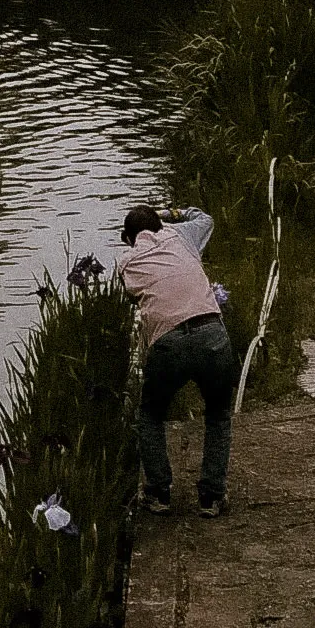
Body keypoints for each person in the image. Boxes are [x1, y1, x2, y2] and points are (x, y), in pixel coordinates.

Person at [117, 204, 236, 518]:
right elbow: (206, 217)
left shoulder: (127, 260)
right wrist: (172, 212)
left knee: (151, 415)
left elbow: (137, 297)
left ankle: (158, 493)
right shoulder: (181, 235)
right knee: (219, 414)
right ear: (160, 226)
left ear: (126, 238)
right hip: (212, 332)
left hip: (168, 343)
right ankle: (211, 497)